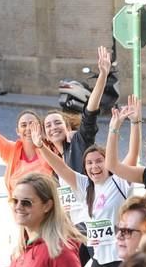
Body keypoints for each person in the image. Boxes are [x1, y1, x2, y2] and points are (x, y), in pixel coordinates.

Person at [31, 101, 140, 267]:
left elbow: (132, 154)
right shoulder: (85, 186)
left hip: (121, 259)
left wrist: (132, 124)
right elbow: (60, 167)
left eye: (99, 161)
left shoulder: (118, 181)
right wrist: (41, 146)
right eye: (89, 163)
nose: (94, 167)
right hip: (100, 258)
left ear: (107, 163)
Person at [44, 46, 110, 175]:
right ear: (45, 135)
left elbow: (90, 113)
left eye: (58, 123)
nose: (53, 127)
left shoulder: (79, 143)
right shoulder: (54, 165)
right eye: (48, 125)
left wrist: (103, 76)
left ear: (68, 127)